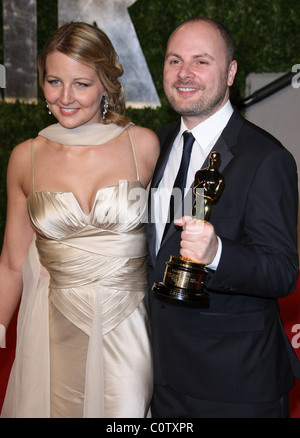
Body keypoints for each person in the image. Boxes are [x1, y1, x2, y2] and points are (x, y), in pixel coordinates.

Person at [0, 21, 159, 418]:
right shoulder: (26, 157)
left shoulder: (143, 146)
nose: (65, 97)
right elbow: (11, 261)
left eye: (81, 84)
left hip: (130, 329)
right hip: (55, 332)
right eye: (54, 81)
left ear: (105, 84)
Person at [147, 17, 300, 418]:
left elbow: (283, 271)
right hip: (159, 378)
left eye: (201, 61)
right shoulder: (156, 143)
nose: (184, 74)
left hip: (234, 385)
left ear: (231, 72)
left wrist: (216, 252)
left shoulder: (267, 159)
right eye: (174, 60)